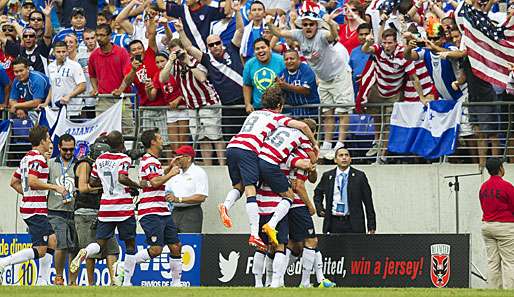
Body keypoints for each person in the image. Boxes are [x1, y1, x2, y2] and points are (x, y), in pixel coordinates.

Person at [219, 86, 317, 250]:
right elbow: (303, 126)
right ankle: (256, 234)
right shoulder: (277, 118)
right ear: (279, 105)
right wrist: (314, 144)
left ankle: (226, 206)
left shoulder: (254, 114)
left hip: (232, 146)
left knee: (239, 187)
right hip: (249, 151)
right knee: (279, 194)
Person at [268, 1, 354, 160]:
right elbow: (279, 34)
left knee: (343, 110)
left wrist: (329, 23)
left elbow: (334, 36)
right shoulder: (298, 34)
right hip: (324, 79)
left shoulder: (322, 34)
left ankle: (340, 143)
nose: (308, 27)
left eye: (311, 24)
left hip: (339, 74)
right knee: (327, 111)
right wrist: (269, 24)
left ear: (316, 25)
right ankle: (327, 143)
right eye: (305, 24)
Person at [69, 131, 145, 286]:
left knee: (99, 243)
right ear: (122, 143)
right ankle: (126, 281)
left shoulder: (100, 159)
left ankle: (85, 252)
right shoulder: (124, 158)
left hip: (105, 207)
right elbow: (122, 177)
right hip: (123, 207)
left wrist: (105, 184)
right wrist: (137, 185)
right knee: (130, 244)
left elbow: (93, 181)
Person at [0, 126, 67, 285]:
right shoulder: (38, 159)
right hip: (35, 210)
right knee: (41, 250)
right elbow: (32, 181)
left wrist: (28, 195)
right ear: (42, 140)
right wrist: (55, 187)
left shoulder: (26, 158)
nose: (50, 141)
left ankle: (42, 280)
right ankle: (3, 263)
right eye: (48, 138)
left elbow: (13, 182)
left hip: (31, 207)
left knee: (52, 241)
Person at [174, 8, 246, 141]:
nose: (215, 46)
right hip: (227, 105)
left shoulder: (232, 47)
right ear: (208, 47)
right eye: (211, 45)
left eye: (217, 43)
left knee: (249, 136)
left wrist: (237, 12)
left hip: (246, 100)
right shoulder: (207, 59)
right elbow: (189, 47)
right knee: (231, 139)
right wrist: (181, 31)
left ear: (222, 42)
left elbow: (240, 31)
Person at [128, 129, 183, 287]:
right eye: (159, 138)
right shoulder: (149, 161)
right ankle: (126, 266)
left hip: (162, 210)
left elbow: (156, 177)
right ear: (152, 142)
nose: (162, 140)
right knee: (156, 249)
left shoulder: (153, 161)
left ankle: (176, 283)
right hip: (151, 211)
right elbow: (155, 182)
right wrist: (171, 173)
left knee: (175, 246)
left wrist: (168, 168)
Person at [159, 39, 225, 166]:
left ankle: (223, 166)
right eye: (174, 53)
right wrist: (170, 61)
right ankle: (208, 166)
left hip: (208, 102)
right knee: (201, 138)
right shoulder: (175, 65)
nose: (178, 55)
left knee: (214, 136)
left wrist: (188, 61)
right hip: (192, 105)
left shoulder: (196, 60)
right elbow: (162, 79)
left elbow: (202, 77)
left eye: (178, 52)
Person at [74, 137, 120, 286]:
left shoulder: (95, 165)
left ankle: (114, 281)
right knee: (94, 251)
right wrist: (104, 187)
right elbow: (82, 188)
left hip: (102, 211)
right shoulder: (85, 164)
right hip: (85, 212)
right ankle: (91, 284)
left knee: (112, 248)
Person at [314, 147, 376, 234]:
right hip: (333, 222)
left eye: (346, 155)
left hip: (354, 222)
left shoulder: (359, 176)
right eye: (341, 155)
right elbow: (318, 193)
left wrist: (371, 225)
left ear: (350, 159)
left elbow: (368, 202)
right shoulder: (328, 176)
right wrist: (320, 208)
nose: (344, 158)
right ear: (335, 160)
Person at [46, 134, 79, 285]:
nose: (68, 152)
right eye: (65, 149)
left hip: (75, 211)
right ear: (59, 147)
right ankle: (59, 276)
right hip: (55, 210)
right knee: (62, 243)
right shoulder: (50, 164)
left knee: (75, 248)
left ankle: (73, 281)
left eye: (71, 149)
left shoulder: (79, 164)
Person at [87, 24, 132, 135]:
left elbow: (128, 76)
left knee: (128, 130)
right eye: (97, 35)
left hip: (122, 99)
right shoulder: (93, 55)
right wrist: (95, 88)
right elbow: (92, 75)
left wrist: (120, 90)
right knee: (102, 131)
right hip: (103, 99)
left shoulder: (122, 52)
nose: (98, 38)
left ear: (110, 36)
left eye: (102, 35)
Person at [479, 158, 514, 289]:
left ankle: (493, 290)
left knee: (492, 262)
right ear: (500, 168)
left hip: (487, 226)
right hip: (505, 226)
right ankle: (510, 291)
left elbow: (483, 205)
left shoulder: (484, 187)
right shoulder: (506, 186)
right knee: (509, 262)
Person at [164, 145, 208, 233]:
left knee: (189, 242)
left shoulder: (199, 172)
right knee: (171, 242)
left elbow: (201, 197)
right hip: (174, 211)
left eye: (179, 157)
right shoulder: (175, 172)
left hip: (191, 212)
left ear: (188, 158)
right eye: (175, 157)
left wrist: (178, 199)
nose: (176, 160)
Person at [150, 52, 188, 152]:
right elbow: (152, 96)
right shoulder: (157, 75)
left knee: (182, 139)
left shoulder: (177, 72)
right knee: (173, 141)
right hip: (171, 109)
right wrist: (148, 89)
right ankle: (176, 162)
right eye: (157, 62)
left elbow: (187, 88)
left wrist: (179, 99)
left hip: (183, 108)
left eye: (162, 61)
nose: (160, 64)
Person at [166, 0, 233, 52]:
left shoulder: (208, 10)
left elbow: (226, 12)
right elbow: (162, 6)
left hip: (207, 50)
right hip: (190, 50)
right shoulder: (182, 10)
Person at [44, 41, 87, 118]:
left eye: (63, 51)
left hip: (73, 109)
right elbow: (52, 87)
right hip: (56, 109)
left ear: (67, 52)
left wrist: (69, 96)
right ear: (53, 52)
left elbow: (82, 86)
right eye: (58, 52)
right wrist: (46, 103)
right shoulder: (50, 66)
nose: (61, 54)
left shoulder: (75, 65)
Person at [242, 37, 285, 113]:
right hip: (259, 108)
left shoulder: (282, 60)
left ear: (269, 48)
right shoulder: (249, 64)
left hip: (281, 107)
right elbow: (247, 85)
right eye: (257, 49)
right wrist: (247, 104)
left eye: (263, 47)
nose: (260, 51)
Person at [276, 49, 320, 117]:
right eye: (286, 59)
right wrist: (277, 87)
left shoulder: (306, 70)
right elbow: (279, 94)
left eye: (292, 58)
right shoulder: (282, 73)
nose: (289, 61)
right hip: (292, 113)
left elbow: (306, 90)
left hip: (310, 112)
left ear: (299, 59)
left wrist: (286, 86)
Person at [9, 57, 50, 123]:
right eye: (16, 72)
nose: (19, 74)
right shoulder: (16, 80)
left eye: (21, 70)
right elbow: (12, 100)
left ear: (27, 68)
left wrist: (17, 105)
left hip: (49, 108)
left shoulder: (37, 79)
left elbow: (37, 102)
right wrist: (18, 109)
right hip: (33, 110)